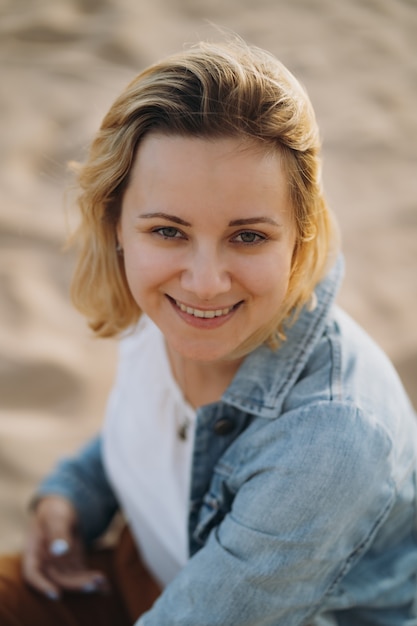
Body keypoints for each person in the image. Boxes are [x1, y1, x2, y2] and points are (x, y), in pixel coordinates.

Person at [0, 37, 416, 626]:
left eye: (248, 236)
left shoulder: (331, 441)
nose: (203, 283)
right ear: (117, 222)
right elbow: (157, 427)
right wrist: (70, 498)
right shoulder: (152, 299)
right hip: (138, 570)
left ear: (300, 237)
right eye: (168, 231)